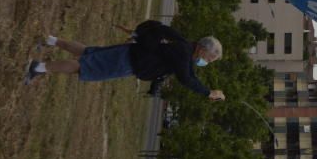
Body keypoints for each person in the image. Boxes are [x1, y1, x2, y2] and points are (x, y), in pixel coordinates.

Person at [24, 20, 225, 101]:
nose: (207, 62)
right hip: (128, 62)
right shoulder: (184, 53)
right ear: (203, 49)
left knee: (87, 53)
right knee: (83, 67)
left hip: (130, 53)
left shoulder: (183, 44)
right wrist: (208, 92)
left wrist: (155, 87)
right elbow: (187, 78)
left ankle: (50, 40)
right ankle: (38, 67)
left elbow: (172, 71)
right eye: (209, 58)